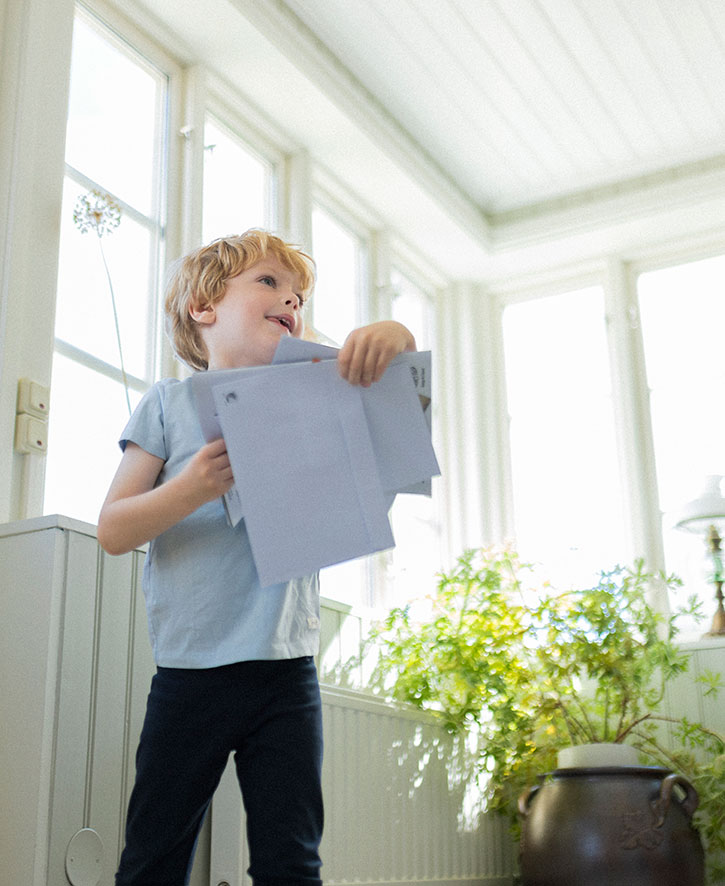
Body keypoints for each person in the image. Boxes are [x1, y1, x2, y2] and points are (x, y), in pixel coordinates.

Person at [97, 229, 416, 886]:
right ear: (203, 307)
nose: (290, 300)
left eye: (297, 295)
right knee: (154, 853)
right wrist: (192, 488)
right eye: (268, 283)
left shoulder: (320, 393)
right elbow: (113, 530)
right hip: (191, 675)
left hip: (286, 671)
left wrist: (396, 334)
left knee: (290, 859)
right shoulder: (167, 402)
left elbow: (401, 396)